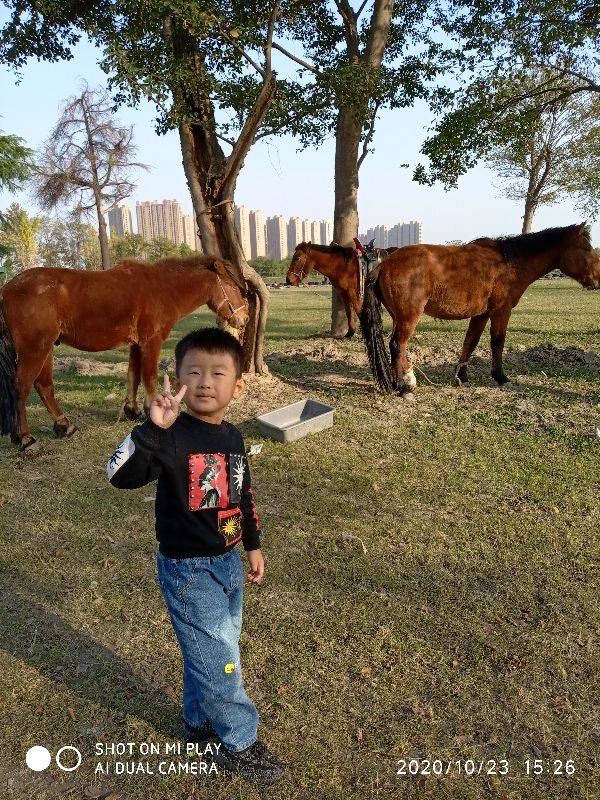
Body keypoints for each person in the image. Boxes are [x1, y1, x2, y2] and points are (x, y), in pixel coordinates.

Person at [106, 327, 285, 786]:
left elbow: (244, 494)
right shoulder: (167, 435)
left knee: (208, 650)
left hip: (227, 564)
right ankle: (240, 740)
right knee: (222, 657)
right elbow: (119, 476)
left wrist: (253, 544)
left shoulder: (234, 438)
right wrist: (150, 430)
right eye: (194, 372)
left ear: (238, 385)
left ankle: (198, 722)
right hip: (188, 570)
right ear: (177, 378)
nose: (205, 382)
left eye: (218, 373)